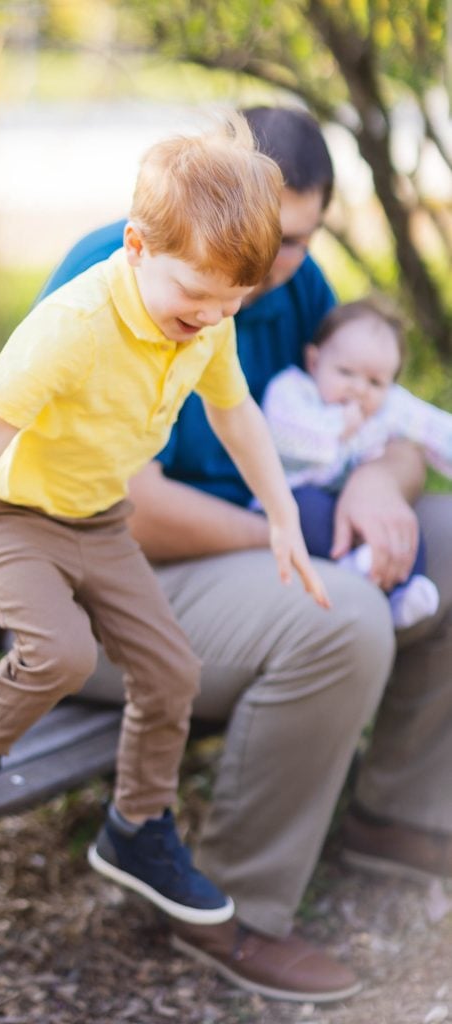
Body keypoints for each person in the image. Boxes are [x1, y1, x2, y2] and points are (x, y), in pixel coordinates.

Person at [0, 115, 329, 929]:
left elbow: (237, 418)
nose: (207, 317)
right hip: (5, 515)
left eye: (227, 302)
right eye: (193, 296)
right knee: (59, 652)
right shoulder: (74, 325)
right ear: (135, 246)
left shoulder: (207, 322)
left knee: (172, 671)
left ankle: (136, 828)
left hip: (98, 517)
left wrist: (280, 518)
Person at [38, 106, 452, 1003]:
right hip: (90, 591)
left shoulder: (291, 284)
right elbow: (126, 508)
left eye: (296, 238)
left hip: (236, 556)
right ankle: (226, 906)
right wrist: (299, 533)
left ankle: (396, 819)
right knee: (340, 612)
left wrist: (380, 479)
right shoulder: (117, 275)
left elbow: (385, 414)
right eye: (265, 233)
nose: (272, 263)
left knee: (443, 542)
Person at [262, 297, 452, 628]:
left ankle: (404, 592)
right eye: (346, 372)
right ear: (314, 360)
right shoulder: (293, 391)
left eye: (376, 382)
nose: (360, 388)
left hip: (352, 501)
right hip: (291, 496)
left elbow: (434, 429)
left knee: (400, 525)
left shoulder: (387, 407)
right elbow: (281, 433)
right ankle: (349, 567)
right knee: (308, 511)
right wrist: (339, 426)